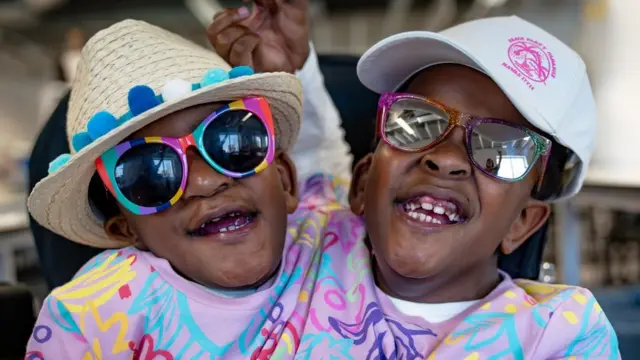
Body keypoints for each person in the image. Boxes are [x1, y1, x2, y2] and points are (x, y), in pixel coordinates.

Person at [208, 4, 620, 358]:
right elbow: (317, 163)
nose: (444, 158)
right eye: (416, 122)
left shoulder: (556, 333)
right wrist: (289, 75)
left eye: (500, 150)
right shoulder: (308, 248)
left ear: (522, 222)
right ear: (363, 184)